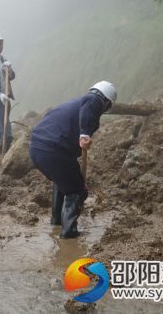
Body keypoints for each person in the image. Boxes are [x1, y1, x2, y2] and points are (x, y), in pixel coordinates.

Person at [29, 81, 117, 238]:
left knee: (63, 182)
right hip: (53, 150)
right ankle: (68, 234)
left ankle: (56, 222)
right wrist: (85, 134)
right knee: (77, 190)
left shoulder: (74, 103)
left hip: (37, 149)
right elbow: (91, 105)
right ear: (106, 102)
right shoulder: (94, 100)